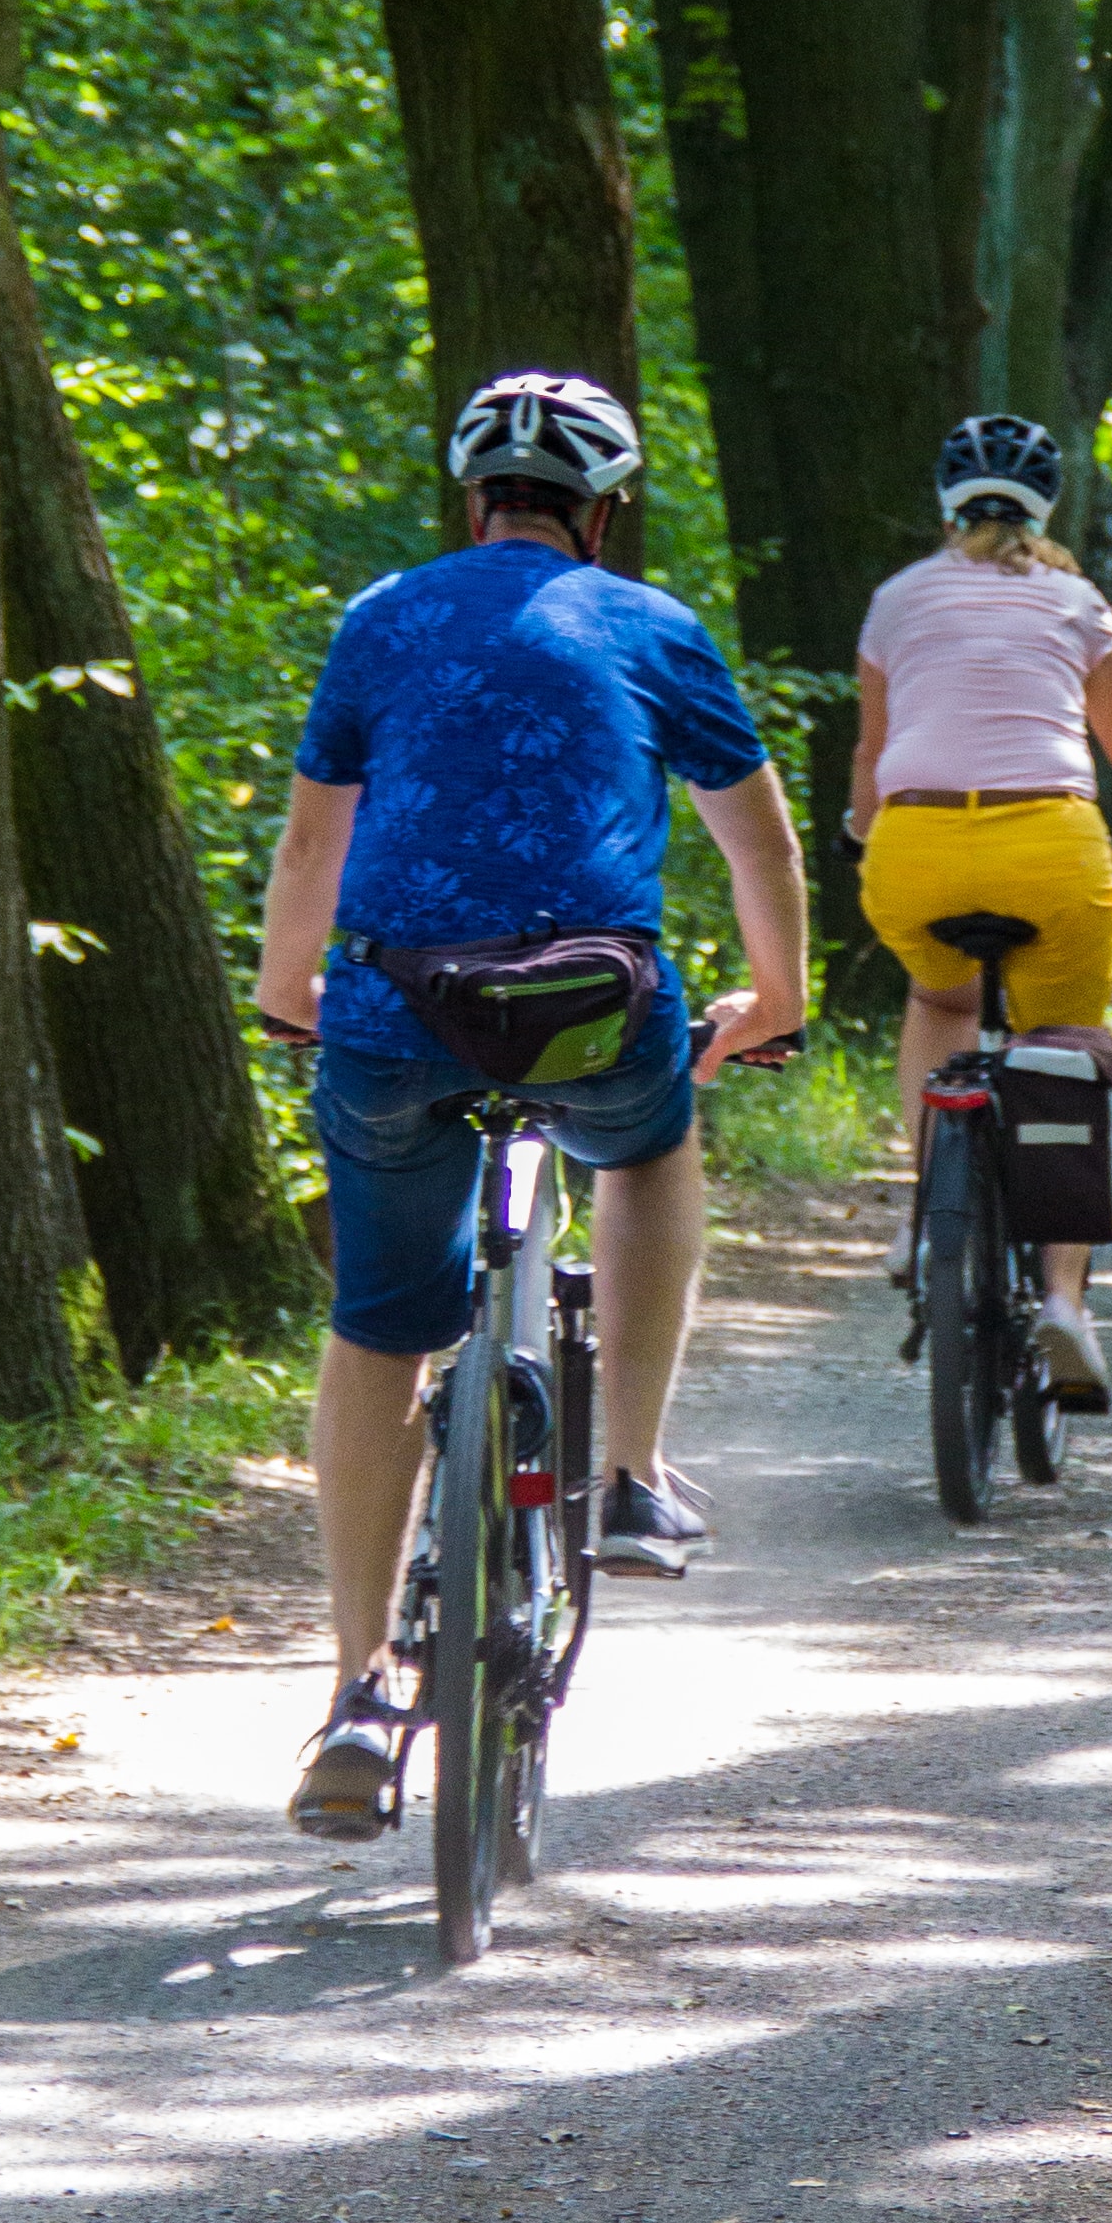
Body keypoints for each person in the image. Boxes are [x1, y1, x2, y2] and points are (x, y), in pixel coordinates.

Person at [253, 367, 808, 1839]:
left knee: (378, 1327)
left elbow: (315, 847)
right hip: (590, 1012)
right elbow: (760, 844)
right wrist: (780, 995)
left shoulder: (383, 618)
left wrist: (287, 997)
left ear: (469, 497)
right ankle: (627, 1473)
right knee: (648, 1152)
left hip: (391, 1008)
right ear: (607, 509)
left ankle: (358, 1694)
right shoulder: (651, 626)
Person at [850, 413, 1112, 1409]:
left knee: (941, 1008)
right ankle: (1064, 1302)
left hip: (917, 849)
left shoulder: (894, 601)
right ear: (1047, 506)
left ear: (945, 502)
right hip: (1053, 849)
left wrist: (861, 832)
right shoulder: (1075, 601)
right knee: (1065, 1047)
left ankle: (930, 1213)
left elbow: (872, 757)